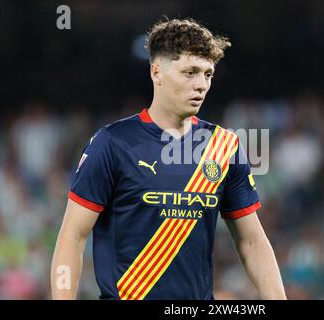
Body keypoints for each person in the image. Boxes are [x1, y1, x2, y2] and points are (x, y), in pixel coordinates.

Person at [51, 18, 286, 300]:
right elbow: (72, 237)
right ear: (156, 71)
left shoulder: (224, 146)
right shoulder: (112, 143)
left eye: (208, 74)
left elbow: (251, 241)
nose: (201, 84)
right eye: (190, 72)